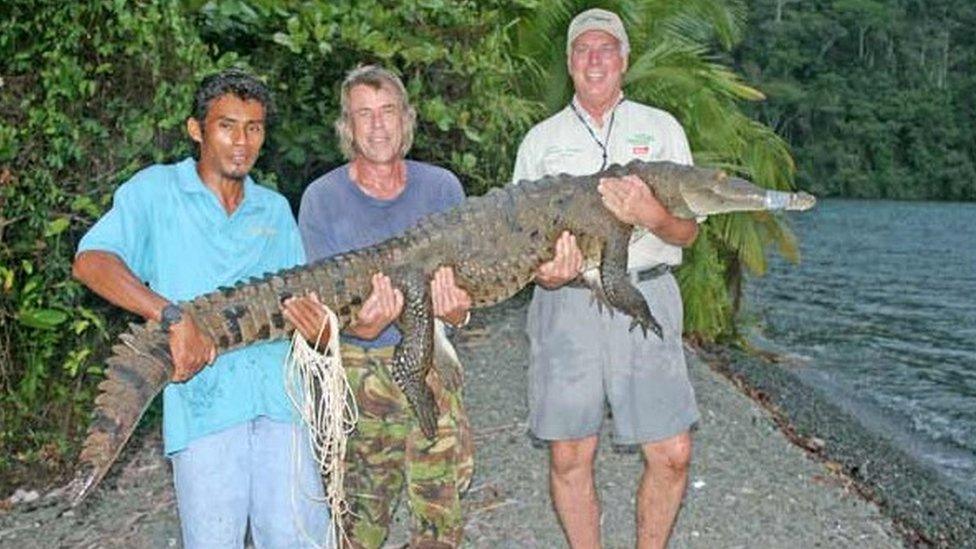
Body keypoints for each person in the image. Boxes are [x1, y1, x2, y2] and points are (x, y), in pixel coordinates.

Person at [72, 69, 331, 548]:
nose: (241, 141)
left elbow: (300, 314)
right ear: (197, 129)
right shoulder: (155, 192)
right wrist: (171, 316)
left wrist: (319, 333)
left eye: (254, 128)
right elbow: (92, 262)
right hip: (205, 410)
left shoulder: (274, 209)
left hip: (282, 407)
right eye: (227, 125)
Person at [511, 9, 701, 549]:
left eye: (606, 48)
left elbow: (687, 233)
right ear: (570, 63)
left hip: (647, 292)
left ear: (624, 60)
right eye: (583, 50)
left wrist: (652, 215)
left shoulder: (662, 130)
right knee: (570, 453)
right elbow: (521, 242)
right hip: (566, 303)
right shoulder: (540, 142)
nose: (595, 60)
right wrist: (545, 274)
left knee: (672, 452)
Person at [289, 65, 474, 549]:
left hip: (431, 360)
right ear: (347, 128)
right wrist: (359, 329)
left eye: (387, 111)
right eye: (363, 115)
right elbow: (317, 317)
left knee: (440, 519)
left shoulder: (443, 189)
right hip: (356, 370)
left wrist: (456, 312)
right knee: (360, 522)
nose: (377, 125)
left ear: (406, 119)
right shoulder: (321, 200)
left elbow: (463, 296)